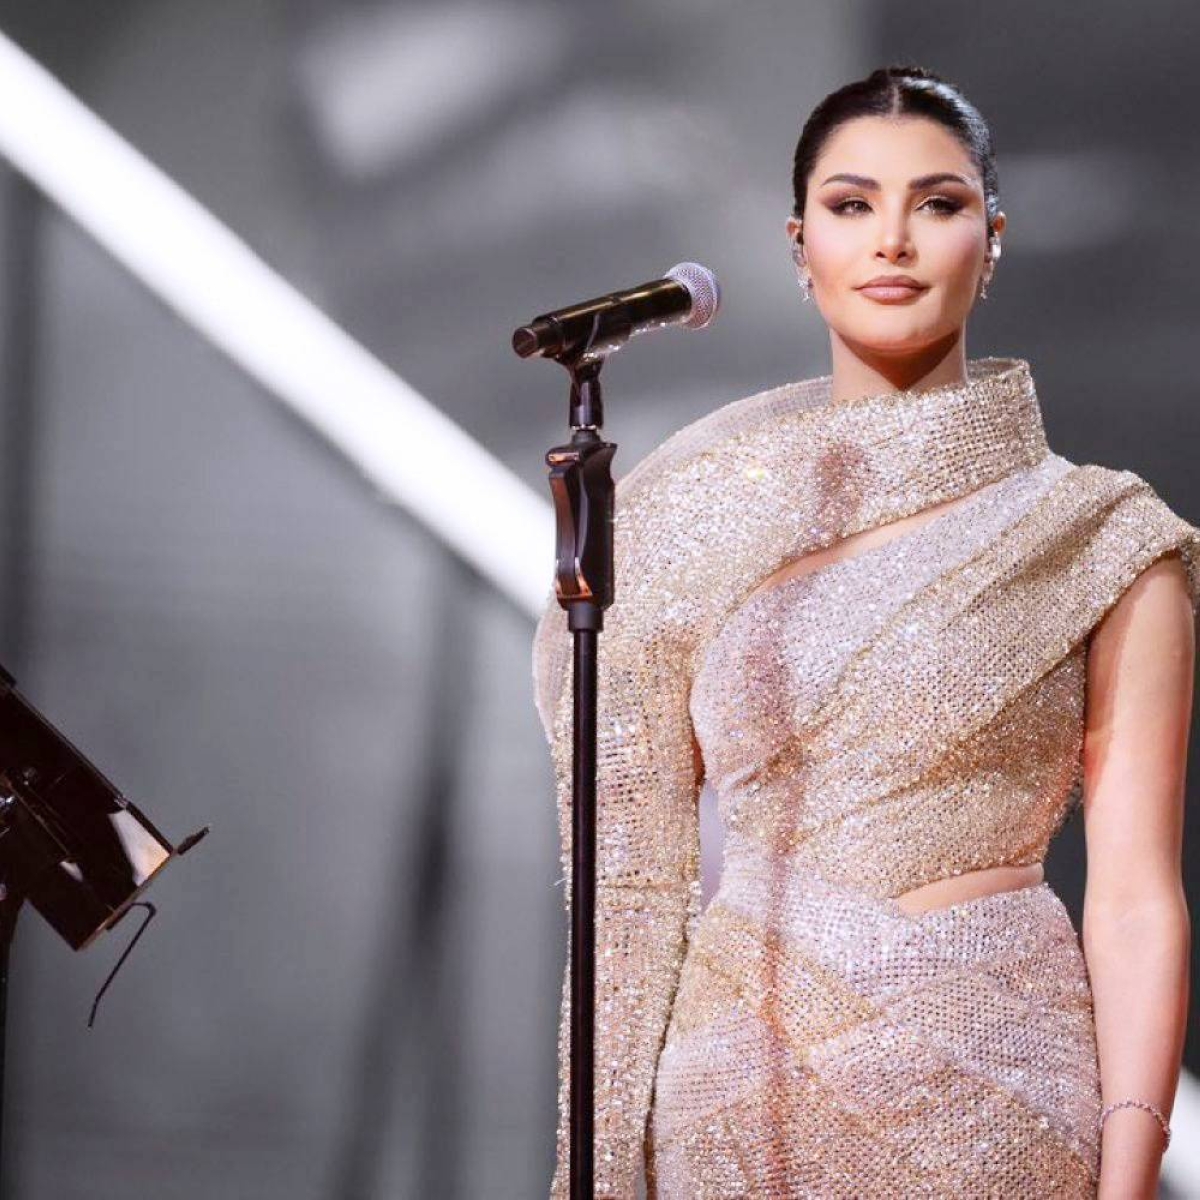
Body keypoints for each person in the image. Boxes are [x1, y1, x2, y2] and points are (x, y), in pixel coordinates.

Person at [532, 63, 1198, 1198]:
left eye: (936, 204)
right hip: (733, 1105)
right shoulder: (688, 529)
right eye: (851, 205)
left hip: (990, 1097)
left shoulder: (1099, 536)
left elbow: (1135, 898)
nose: (892, 239)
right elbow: (629, 894)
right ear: (801, 246)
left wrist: (1131, 1169)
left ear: (992, 240)